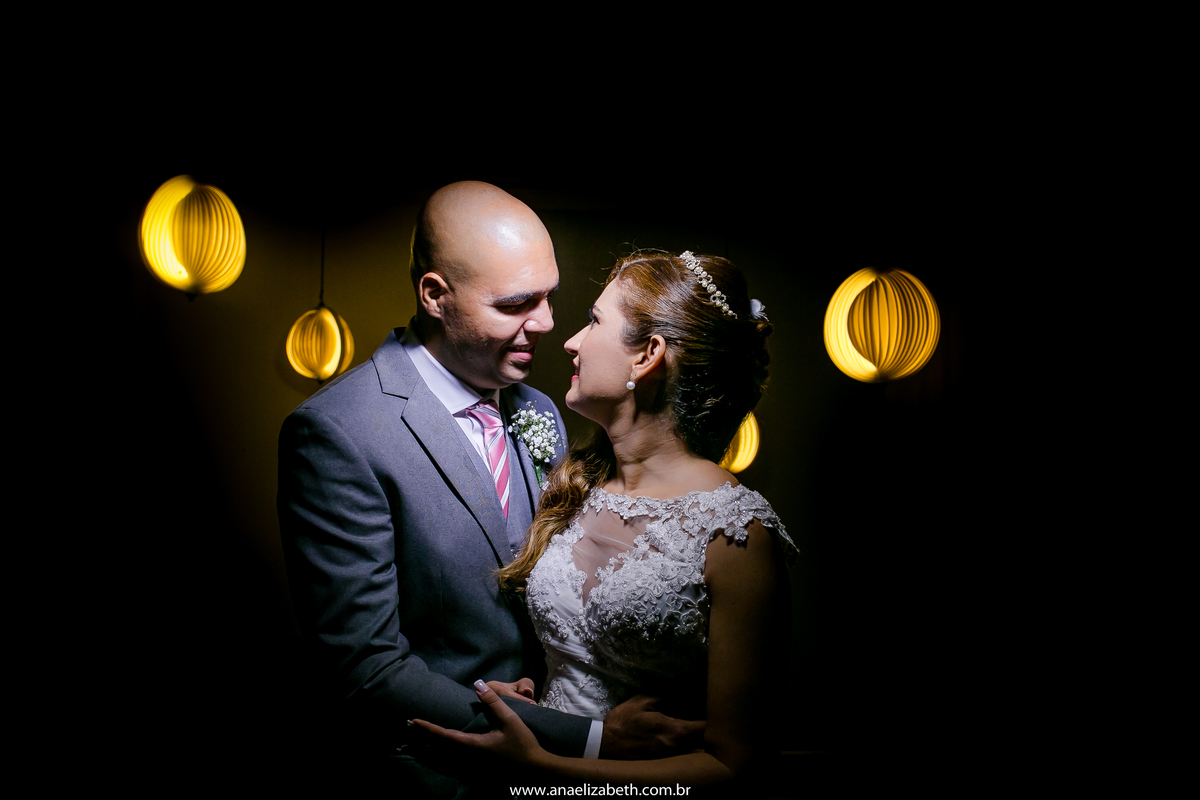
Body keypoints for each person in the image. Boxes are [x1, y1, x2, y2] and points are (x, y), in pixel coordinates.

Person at [277, 183, 701, 794]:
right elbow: (365, 667)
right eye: (515, 304)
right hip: (433, 778)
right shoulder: (338, 432)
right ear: (435, 296)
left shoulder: (541, 411)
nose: (547, 322)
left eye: (548, 296)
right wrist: (590, 737)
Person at [413, 250, 796, 791]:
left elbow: (737, 766)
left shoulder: (735, 531)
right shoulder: (578, 486)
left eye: (594, 322)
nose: (569, 341)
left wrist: (545, 770)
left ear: (647, 356)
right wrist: (533, 698)